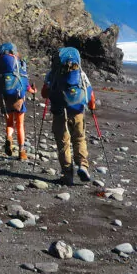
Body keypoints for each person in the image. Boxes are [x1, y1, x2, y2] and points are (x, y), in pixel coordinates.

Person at [41, 47, 97, 185]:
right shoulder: (81, 73)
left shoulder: (52, 74)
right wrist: (92, 107)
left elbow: (44, 94)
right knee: (79, 139)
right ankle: (83, 166)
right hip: (78, 111)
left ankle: (67, 175)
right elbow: (90, 94)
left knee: (63, 144)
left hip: (60, 112)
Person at [0, 43, 36, 161]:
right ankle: (22, 152)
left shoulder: (0, 67)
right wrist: (33, 91)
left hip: (5, 96)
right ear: (14, 53)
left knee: (10, 123)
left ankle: (9, 137)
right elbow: (25, 84)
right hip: (18, 97)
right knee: (20, 125)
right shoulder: (18, 66)